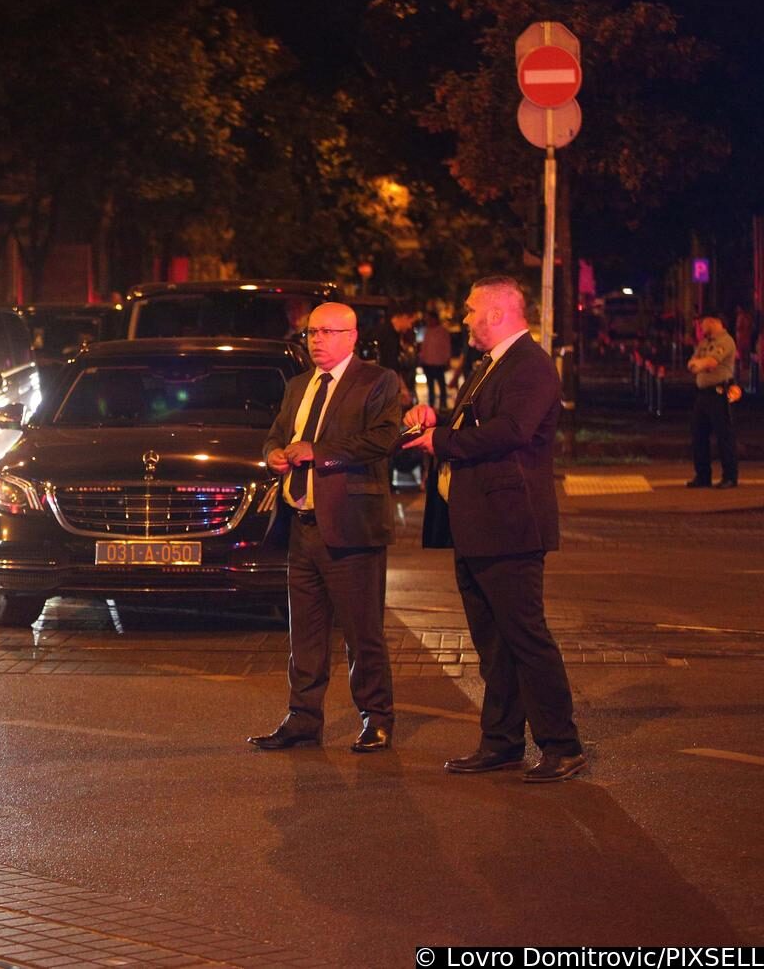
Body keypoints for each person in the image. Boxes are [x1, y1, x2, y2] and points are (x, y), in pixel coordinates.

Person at [403, 275, 585, 783]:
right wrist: (436, 419)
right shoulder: (492, 365)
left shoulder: (529, 365)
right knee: (493, 642)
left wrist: (443, 439)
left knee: (525, 636)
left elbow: (511, 431)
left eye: (469, 311)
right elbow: (476, 422)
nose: (464, 320)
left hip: (510, 524)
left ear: (499, 312)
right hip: (479, 523)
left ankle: (562, 743)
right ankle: (502, 742)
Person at [249, 302, 403, 754]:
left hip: (352, 528)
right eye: (311, 332)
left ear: (352, 336)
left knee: (362, 631)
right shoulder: (299, 386)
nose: (316, 340)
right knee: (306, 632)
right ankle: (303, 718)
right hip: (302, 525)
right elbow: (276, 436)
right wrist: (273, 454)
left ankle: (376, 717)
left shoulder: (377, 381)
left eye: (327, 332)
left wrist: (320, 452)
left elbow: (383, 439)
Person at [685, 313, 738, 489]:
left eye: (703, 322)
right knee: (698, 435)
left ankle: (730, 476)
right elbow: (692, 362)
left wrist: (700, 364)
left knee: (724, 436)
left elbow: (711, 363)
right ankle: (703, 476)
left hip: (719, 393)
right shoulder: (705, 342)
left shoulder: (725, 341)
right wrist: (699, 364)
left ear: (714, 321)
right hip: (703, 394)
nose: (700, 326)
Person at [419, 309, 453, 410]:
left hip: (439, 363)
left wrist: (447, 360)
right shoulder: (427, 331)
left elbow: (447, 347)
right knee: (430, 387)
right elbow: (424, 347)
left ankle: (443, 405)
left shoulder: (442, 331)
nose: (428, 321)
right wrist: (422, 359)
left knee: (442, 385)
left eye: (430, 319)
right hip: (428, 363)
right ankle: (432, 406)